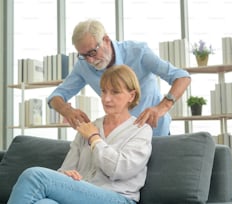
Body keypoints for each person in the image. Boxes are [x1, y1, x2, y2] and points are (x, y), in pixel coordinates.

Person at [7, 65, 153, 204]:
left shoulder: (140, 130)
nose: (106, 98)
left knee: (34, 176)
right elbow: (65, 169)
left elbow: (119, 170)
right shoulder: (89, 126)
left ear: (131, 96)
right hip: (81, 194)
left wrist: (94, 139)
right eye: (104, 91)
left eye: (115, 92)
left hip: (118, 198)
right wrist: (67, 174)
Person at [47, 19, 191, 136]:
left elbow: (182, 77)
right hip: (120, 139)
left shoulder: (138, 52)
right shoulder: (83, 65)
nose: (90, 60)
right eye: (83, 55)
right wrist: (67, 111)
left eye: (92, 52)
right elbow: (56, 96)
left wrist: (161, 108)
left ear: (106, 40)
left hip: (156, 135)